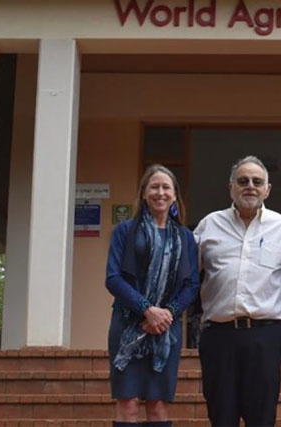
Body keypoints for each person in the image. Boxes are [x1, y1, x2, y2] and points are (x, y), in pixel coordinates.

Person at [193, 155, 281, 427]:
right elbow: (187, 276)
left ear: (268, 189)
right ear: (231, 187)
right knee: (221, 416)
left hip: (264, 337)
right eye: (243, 181)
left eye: (257, 181)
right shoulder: (209, 225)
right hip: (218, 336)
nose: (250, 186)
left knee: (262, 417)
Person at [105, 164, 200, 427]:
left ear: (174, 194)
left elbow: (192, 284)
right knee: (128, 403)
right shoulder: (125, 231)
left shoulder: (186, 237)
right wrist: (147, 309)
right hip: (127, 323)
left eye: (166, 187)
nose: (160, 192)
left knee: (158, 405)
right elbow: (113, 278)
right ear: (144, 193)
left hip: (166, 329)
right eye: (154, 187)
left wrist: (166, 314)